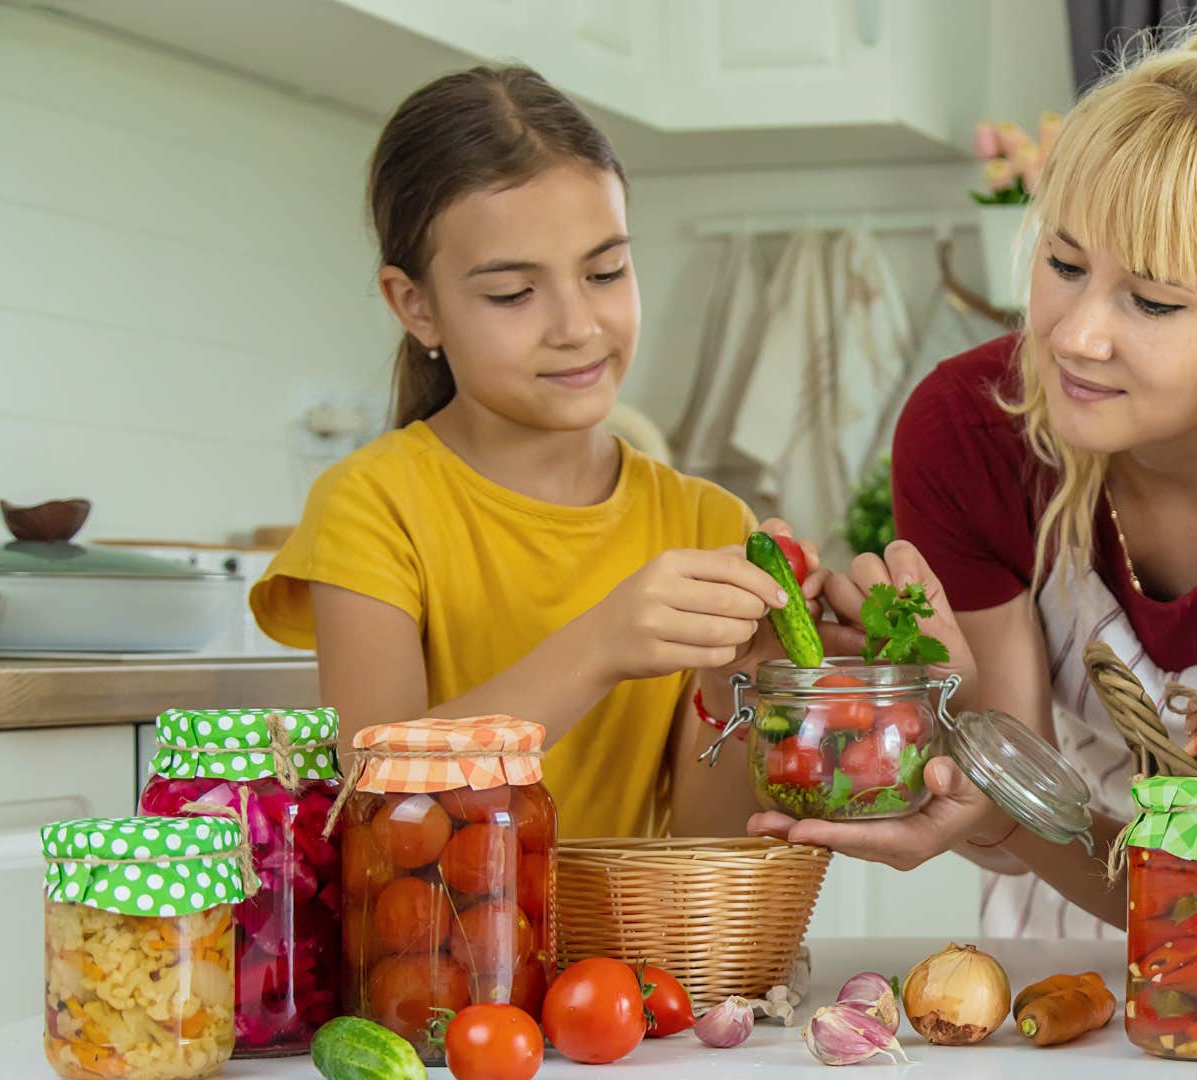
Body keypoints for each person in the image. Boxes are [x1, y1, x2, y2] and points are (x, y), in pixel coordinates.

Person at [751, 4, 1197, 937]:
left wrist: (1009, 801)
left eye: (1155, 302)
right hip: (1052, 945)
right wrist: (953, 737)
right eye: (1063, 261)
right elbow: (1018, 801)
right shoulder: (973, 429)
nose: (1075, 335)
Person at [252, 66, 848, 840]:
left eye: (605, 272)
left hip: (621, 962)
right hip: (433, 957)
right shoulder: (372, 505)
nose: (576, 324)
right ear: (416, 306)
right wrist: (600, 646)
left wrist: (743, 680)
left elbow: (707, 843)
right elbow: (375, 810)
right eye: (513, 293)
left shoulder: (705, 519)